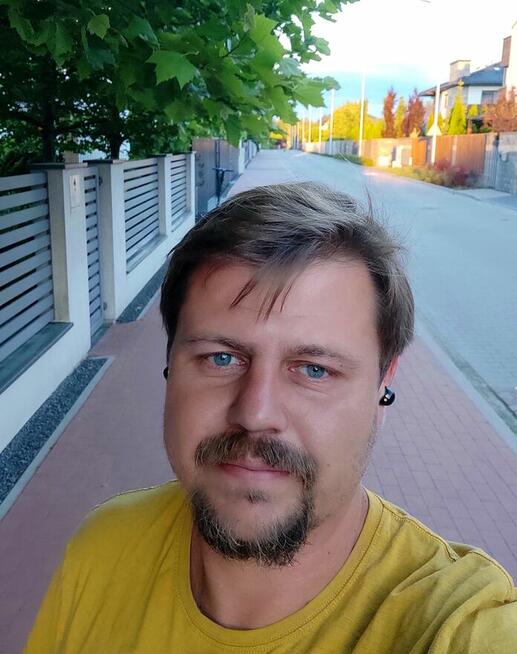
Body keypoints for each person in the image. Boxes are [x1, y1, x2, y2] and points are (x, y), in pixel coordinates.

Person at [25, 183, 516, 653]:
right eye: (221, 358)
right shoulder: (103, 546)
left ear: (381, 384)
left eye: (314, 369)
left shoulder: (457, 622)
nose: (255, 413)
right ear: (171, 364)